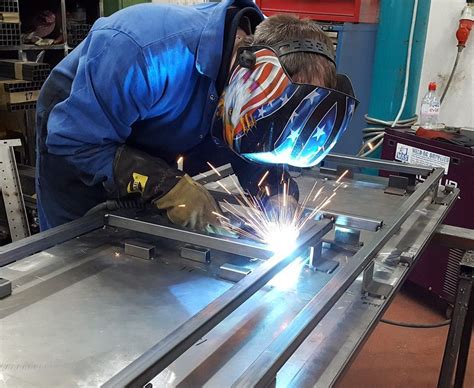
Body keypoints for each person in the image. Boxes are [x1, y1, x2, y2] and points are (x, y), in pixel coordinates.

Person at [35, 0, 357, 233]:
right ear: (251, 73)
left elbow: (258, 143)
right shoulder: (147, 54)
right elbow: (74, 141)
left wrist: (277, 195)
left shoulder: (253, 88)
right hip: (82, 123)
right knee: (79, 253)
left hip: (169, 117)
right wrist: (163, 183)